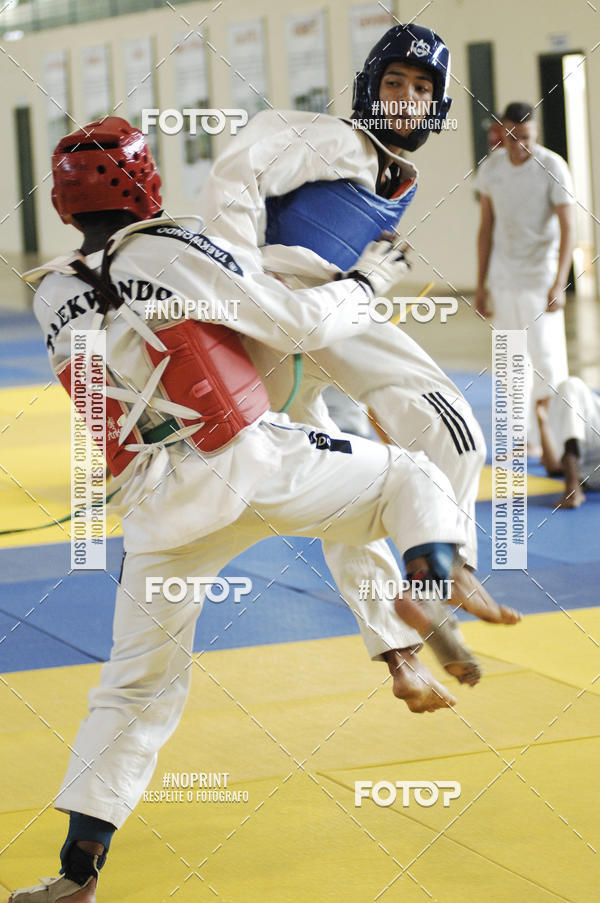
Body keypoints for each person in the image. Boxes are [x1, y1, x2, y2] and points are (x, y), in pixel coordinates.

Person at [10, 116, 470, 902]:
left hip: (155, 512)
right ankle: (428, 589)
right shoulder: (175, 247)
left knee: (132, 689)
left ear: (61, 201)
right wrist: (368, 281)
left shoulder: (49, 293)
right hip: (251, 463)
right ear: (143, 181)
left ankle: (76, 871)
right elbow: (295, 323)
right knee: (409, 473)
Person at [199, 22, 522, 649]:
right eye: (393, 81)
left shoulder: (393, 174)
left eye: (420, 87)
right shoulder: (335, 138)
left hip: (295, 333)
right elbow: (245, 156)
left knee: (353, 488)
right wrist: (235, 272)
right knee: (450, 426)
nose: (405, 96)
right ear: (368, 90)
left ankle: (398, 648)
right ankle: (440, 565)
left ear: (437, 107)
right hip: (303, 302)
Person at [474, 101, 576, 452]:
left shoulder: (553, 166)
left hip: (540, 277)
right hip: (504, 278)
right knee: (510, 361)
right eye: (513, 137)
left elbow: (568, 227)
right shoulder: (491, 169)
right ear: (501, 133)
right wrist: (481, 285)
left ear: (537, 134)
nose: (521, 146)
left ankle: (561, 438)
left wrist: (559, 282)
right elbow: (485, 228)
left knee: (547, 360)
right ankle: (524, 438)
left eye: (527, 138)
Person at [538, 376, 600, 508]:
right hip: (591, 475)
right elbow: (553, 468)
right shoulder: (558, 425)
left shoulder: (577, 399)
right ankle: (572, 487)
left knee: (570, 384)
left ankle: (572, 488)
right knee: (570, 385)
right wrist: (542, 423)